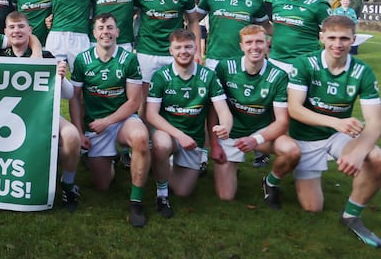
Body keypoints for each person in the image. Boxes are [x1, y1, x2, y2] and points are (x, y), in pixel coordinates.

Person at [287, 15, 381, 247]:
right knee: (312, 208)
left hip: (337, 137)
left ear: (354, 39)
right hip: (305, 138)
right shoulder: (305, 64)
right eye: (332, 38)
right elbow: (294, 109)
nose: (337, 44)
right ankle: (277, 179)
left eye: (344, 38)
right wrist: (335, 121)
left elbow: (375, 122)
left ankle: (351, 216)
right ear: (322, 38)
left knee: (377, 158)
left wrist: (358, 153)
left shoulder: (362, 71)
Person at [70, 13, 151, 226]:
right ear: (94, 33)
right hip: (95, 126)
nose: (106, 31)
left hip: (122, 120)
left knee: (141, 138)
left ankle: (136, 201)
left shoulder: (129, 59)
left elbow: (134, 102)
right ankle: (108, 158)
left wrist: (107, 121)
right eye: (101, 28)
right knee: (103, 185)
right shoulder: (82, 60)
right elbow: (75, 99)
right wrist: (79, 131)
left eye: (110, 27)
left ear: (117, 32)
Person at [0, 11, 82, 211]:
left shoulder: (45, 56)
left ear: (30, 30)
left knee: (71, 135)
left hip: (43, 113)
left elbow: (69, 94)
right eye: (12, 27)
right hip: (7, 117)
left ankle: (68, 184)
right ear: (5, 32)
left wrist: (60, 78)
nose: (16, 31)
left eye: (21, 27)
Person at [147, 29, 232, 218]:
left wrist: (225, 126)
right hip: (170, 134)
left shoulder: (208, 76)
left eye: (188, 47)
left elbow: (223, 110)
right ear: (170, 50)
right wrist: (179, 135)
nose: (183, 51)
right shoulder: (161, 76)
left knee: (182, 191)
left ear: (196, 49)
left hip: (193, 140)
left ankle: (165, 165)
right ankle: (161, 194)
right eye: (178, 47)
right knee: (161, 144)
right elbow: (151, 115)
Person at [212, 25, 299, 207]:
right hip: (231, 133)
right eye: (249, 42)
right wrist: (214, 143)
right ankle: (226, 164)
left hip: (262, 133)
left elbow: (283, 121)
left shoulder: (279, 75)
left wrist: (256, 139)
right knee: (225, 196)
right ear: (241, 46)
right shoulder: (225, 67)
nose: (255, 47)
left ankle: (271, 182)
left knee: (292, 151)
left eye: (259, 41)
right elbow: (213, 108)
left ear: (267, 44)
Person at [134, 0, 201, 118]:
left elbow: (193, 20)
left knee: (176, 98)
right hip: (147, 52)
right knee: (146, 101)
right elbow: (129, 15)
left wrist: (198, 51)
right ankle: (146, 140)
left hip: (175, 52)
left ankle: (175, 139)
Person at [195, 0, 271, 70]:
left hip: (244, 60)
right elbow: (192, 22)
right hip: (215, 60)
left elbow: (266, 27)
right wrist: (197, 52)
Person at [269, 0, 331, 73]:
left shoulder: (319, 5)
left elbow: (333, 35)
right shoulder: (276, 0)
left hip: (304, 65)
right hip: (275, 62)